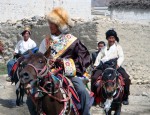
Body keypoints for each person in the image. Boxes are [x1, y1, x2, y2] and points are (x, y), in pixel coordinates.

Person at [39, 7, 92, 115]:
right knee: (32, 97)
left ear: (60, 24)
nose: (50, 25)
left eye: (52, 23)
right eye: (49, 23)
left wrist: (64, 63)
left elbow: (85, 58)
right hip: (48, 74)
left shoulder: (73, 41)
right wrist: (47, 63)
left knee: (82, 92)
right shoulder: (46, 41)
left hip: (68, 74)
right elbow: (40, 58)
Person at [92, 29, 130, 105]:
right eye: (110, 38)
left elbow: (121, 56)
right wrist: (96, 65)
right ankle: (94, 98)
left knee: (126, 78)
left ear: (115, 38)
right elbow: (99, 57)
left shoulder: (118, 47)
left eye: (113, 38)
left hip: (115, 65)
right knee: (94, 78)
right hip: (104, 66)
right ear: (107, 39)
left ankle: (125, 97)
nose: (111, 40)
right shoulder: (104, 48)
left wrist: (118, 64)